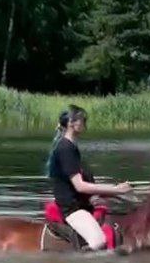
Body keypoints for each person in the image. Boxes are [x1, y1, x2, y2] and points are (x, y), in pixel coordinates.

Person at [45, 105, 131, 250]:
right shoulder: (66, 148)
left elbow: (82, 184)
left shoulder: (71, 147)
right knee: (99, 242)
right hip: (72, 209)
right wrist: (116, 190)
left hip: (81, 204)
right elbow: (80, 186)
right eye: (82, 119)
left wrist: (110, 194)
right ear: (71, 123)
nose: (85, 122)